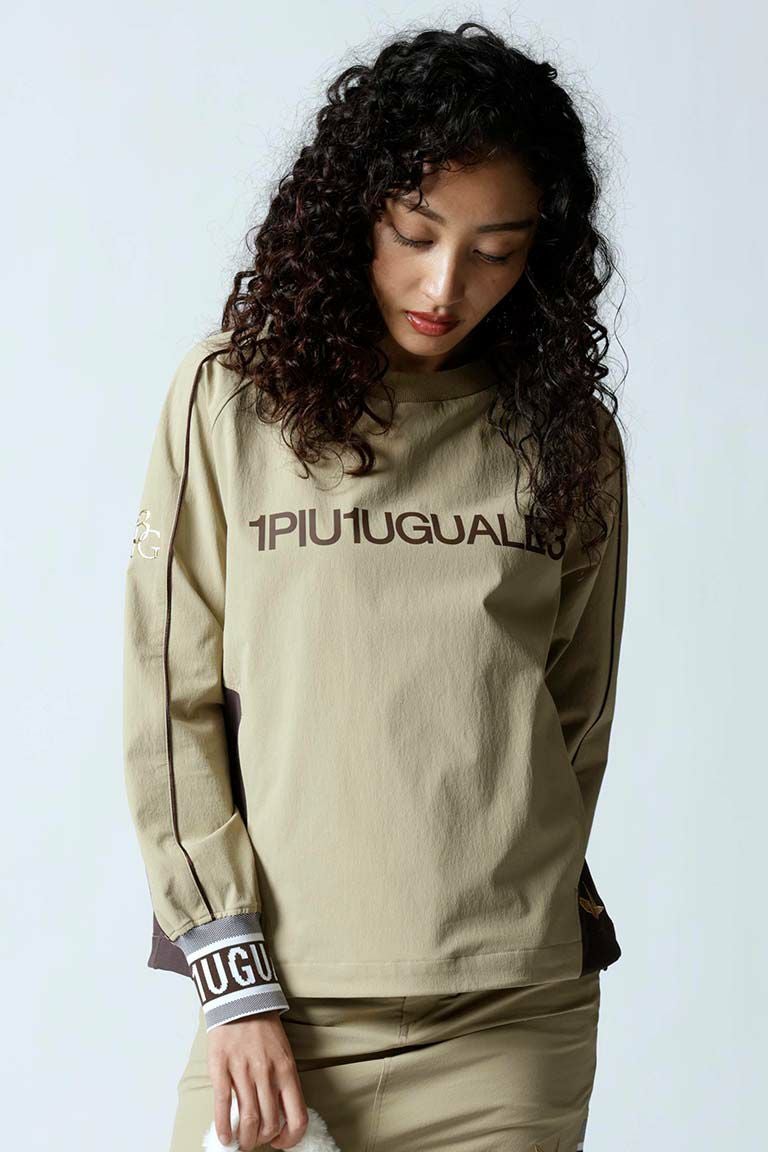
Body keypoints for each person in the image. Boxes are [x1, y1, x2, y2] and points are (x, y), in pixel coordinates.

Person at [123, 21, 629, 1152]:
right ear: (355, 212)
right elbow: (168, 702)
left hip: (512, 1019)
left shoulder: (568, 439)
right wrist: (232, 980)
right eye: (416, 233)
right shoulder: (230, 401)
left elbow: (574, 713)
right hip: (281, 1008)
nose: (446, 284)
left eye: (496, 250)